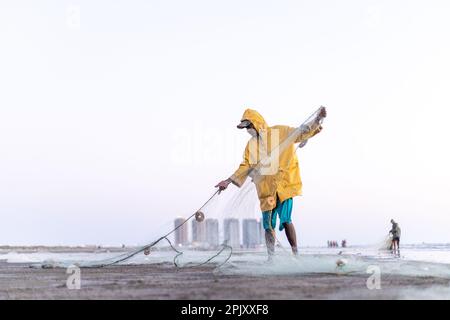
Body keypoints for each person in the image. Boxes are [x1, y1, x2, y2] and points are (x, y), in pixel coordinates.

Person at [215, 107, 326, 257]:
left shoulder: (279, 131)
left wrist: (318, 119)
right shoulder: (251, 146)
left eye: (249, 126)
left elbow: (301, 132)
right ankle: (271, 257)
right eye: (246, 128)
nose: (248, 129)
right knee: (268, 226)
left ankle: (295, 253)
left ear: (257, 123)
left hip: (284, 185)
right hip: (265, 190)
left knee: (286, 219)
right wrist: (227, 181)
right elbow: (245, 166)